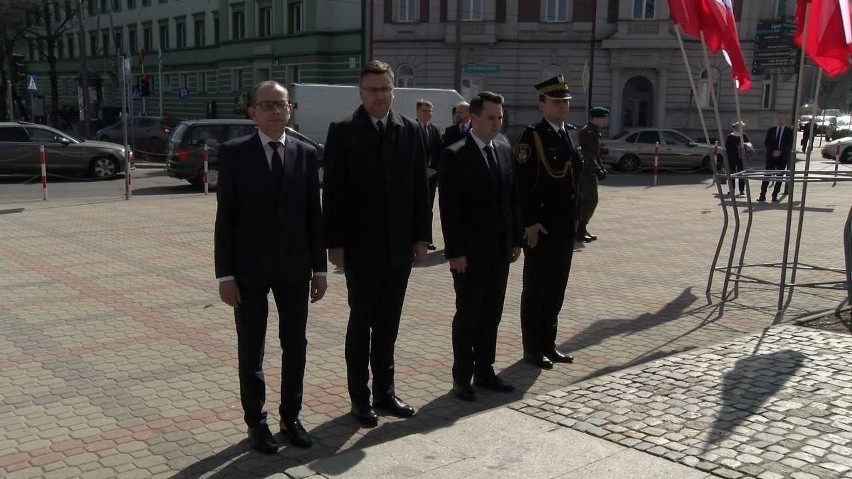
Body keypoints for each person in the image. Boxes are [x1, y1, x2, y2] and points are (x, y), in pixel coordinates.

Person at [214, 81, 326, 453]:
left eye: (281, 104)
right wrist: (225, 275)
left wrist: (320, 269)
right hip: (248, 272)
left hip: (295, 270)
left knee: (296, 345)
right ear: (253, 113)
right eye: (267, 106)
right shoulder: (234, 153)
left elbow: (314, 214)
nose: (276, 111)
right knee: (252, 349)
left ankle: (290, 417)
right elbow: (225, 218)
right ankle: (256, 422)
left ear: (290, 109)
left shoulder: (306, 153)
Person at [323, 60, 432, 428]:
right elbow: (333, 193)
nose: (379, 95)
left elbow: (421, 189)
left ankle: (386, 393)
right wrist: (334, 244)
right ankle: (360, 398)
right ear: (361, 93)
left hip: (400, 247)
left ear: (393, 91)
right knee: (362, 323)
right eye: (372, 90)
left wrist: (422, 237)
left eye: (385, 88)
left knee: (389, 325)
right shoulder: (342, 131)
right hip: (360, 248)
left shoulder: (411, 130)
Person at [439, 92, 522, 402]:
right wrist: (455, 252)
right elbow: (449, 208)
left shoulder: (503, 148)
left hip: (500, 249)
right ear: (473, 118)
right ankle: (462, 376)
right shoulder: (456, 154)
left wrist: (514, 240)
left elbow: (512, 198)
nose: (497, 123)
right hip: (469, 254)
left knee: (492, 314)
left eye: (500, 118)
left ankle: (485, 371)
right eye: (491, 118)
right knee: (468, 314)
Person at [515, 75, 583, 370]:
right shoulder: (532, 136)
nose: (562, 106)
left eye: (565, 101)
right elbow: (521, 184)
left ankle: (549, 342)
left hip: (565, 225)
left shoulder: (571, 133)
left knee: (557, 288)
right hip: (540, 226)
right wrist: (528, 221)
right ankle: (533, 347)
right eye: (557, 101)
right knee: (537, 289)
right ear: (542, 105)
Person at [577, 107, 609, 242]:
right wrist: (598, 170)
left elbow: (596, 154)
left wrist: (601, 168)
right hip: (586, 172)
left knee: (588, 201)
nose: (604, 121)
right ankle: (579, 230)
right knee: (589, 201)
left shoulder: (594, 132)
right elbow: (588, 156)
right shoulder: (588, 132)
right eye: (602, 118)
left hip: (590, 172)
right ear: (595, 118)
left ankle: (582, 228)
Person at [416, 99, 443, 251]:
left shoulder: (434, 130)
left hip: (431, 177)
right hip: (417, 177)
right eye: (424, 111)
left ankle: (427, 239)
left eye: (430, 111)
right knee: (416, 207)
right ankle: (415, 238)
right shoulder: (411, 128)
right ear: (418, 111)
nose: (427, 114)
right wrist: (422, 170)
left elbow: (438, 151)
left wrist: (434, 169)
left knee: (428, 208)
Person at [760, 112, 794, 202]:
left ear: (785, 120)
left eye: (782, 118)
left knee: (779, 176)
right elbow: (767, 142)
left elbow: (789, 144)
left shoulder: (789, 131)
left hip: (782, 157)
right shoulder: (771, 130)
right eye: (779, 118)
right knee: (767, 175)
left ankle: (775, 195)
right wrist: (773, 151)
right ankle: (762, 195)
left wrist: (780, 152)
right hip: (771, 156)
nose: (780, 120)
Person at [724, 121, 752, 196]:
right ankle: (731, 189)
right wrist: (736, 147)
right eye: (740, 127)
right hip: (732, 157)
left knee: (741, 174)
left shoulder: (744, 136)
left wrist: (744, 145)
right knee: (731, 174)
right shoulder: (730, 136)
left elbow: (749, 145)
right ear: (736, 128)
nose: (742, 129)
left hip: (741, 157)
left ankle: (741, 189)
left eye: (742, 127)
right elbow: (727, 147)